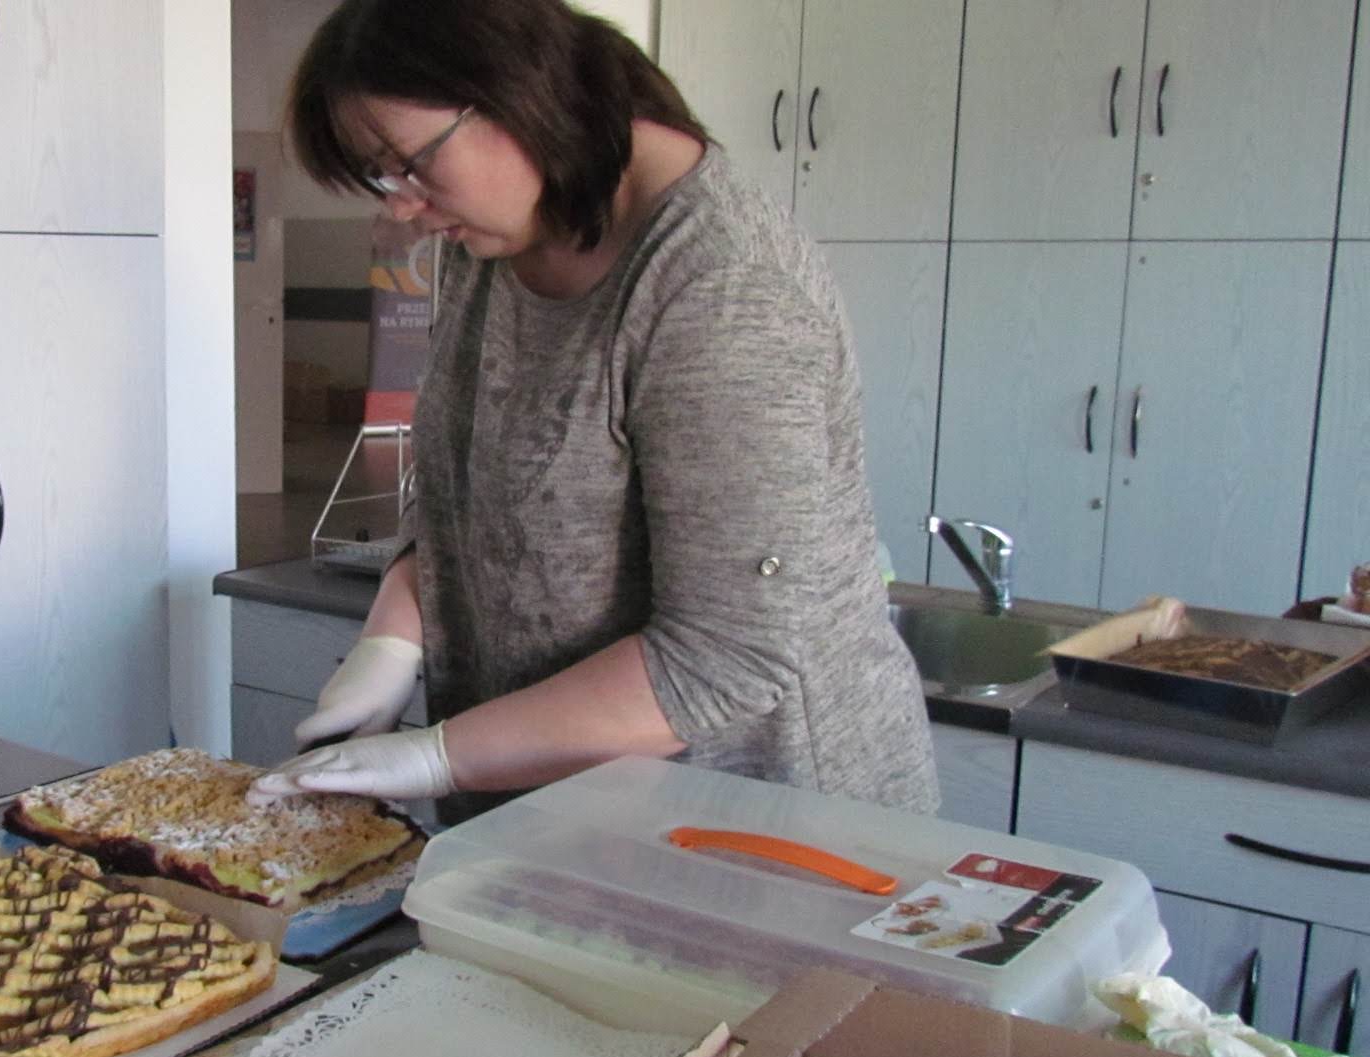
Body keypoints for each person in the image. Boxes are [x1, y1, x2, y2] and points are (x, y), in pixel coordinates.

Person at [247, 0, 939, 820]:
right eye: (379, 178)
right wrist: (392, 637)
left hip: (755, 823)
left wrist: (440, 754)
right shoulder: (496, 235)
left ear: (513, 94)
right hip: (558, 810)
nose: (401, 207)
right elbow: (464, 487)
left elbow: (722, 657)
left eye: (410, 166)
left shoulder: (721, 285)